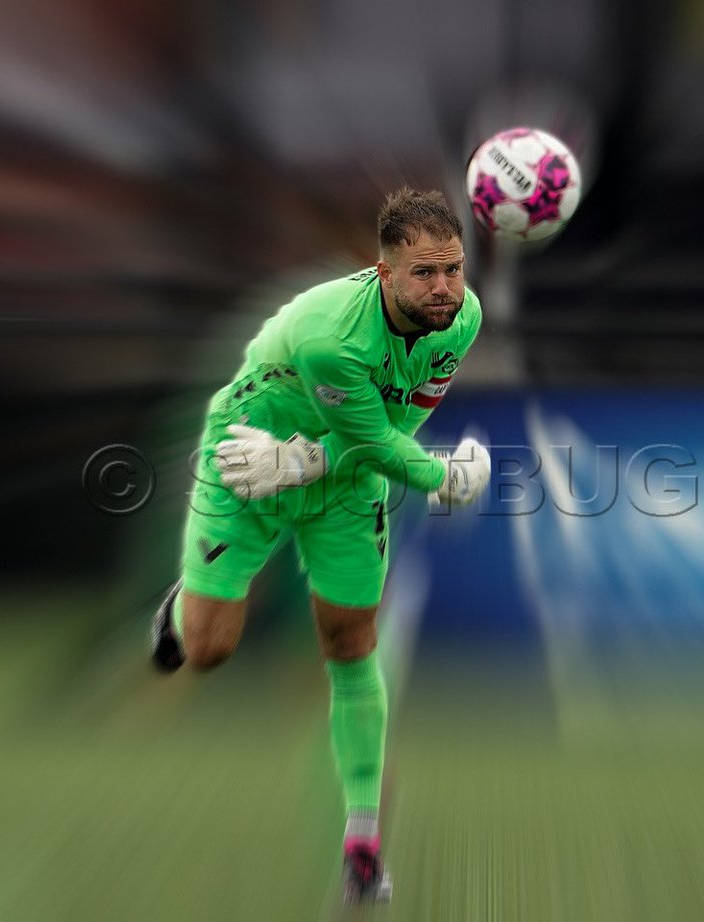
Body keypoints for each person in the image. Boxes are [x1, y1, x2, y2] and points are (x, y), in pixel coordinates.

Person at [149, 187, 491, 904]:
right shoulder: (331, 336)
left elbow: (393, 429)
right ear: (384, 271)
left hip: (335, 480)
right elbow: (378, 442)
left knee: (351, 642)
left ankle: (362, 842)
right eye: (424, 274)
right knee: (207, 651)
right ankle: (182, 607)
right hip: (248, 459)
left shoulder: (461, 321)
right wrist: (446, 479)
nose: (443, 288)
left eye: (453, 269)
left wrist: (308, 462)